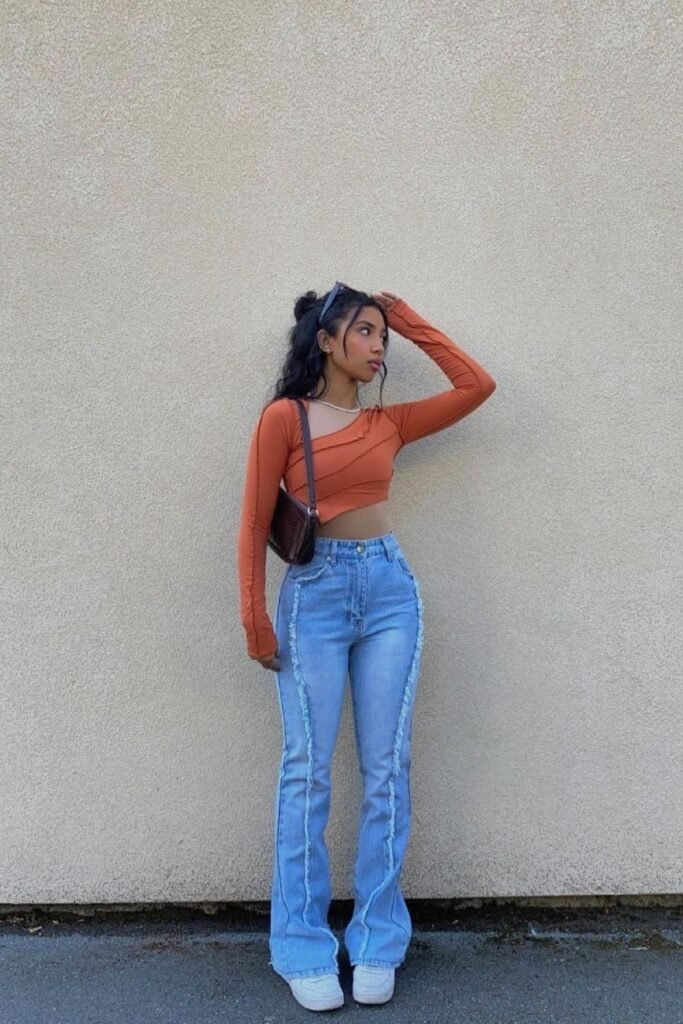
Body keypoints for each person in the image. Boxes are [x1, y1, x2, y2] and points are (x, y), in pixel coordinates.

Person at [236, 283, 496, 1011]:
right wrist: (255, 615)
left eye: (382, 334)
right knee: (306, 772)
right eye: (365, 331)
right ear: (324, 340)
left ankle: (378, 939)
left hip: (388, 595)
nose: (379, 346)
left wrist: (407, 318)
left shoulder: (390, 423)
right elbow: (252, 521)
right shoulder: (283, 419)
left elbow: (476, 385)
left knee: (386, 769)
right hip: (312, 600)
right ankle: (301, 944)